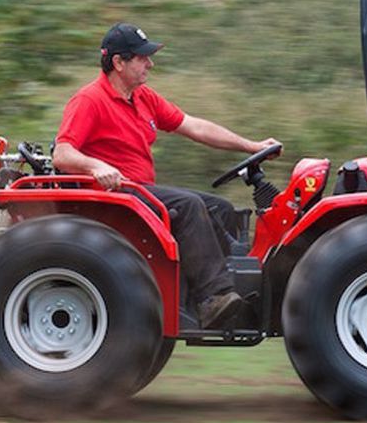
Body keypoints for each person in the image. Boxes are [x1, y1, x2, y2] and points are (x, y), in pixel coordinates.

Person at [53, 23, 281, 329]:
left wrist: (251, 145)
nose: (150, 63)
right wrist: (96, 167)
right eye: (142, 57)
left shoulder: (143, 97)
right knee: (188, 206)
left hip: (141, 191)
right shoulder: (90, 100)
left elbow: (193, 126)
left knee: (222, 209)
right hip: (116, 196)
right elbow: (62, 154)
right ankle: (212, 299)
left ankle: (222, 290)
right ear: (118, 63)